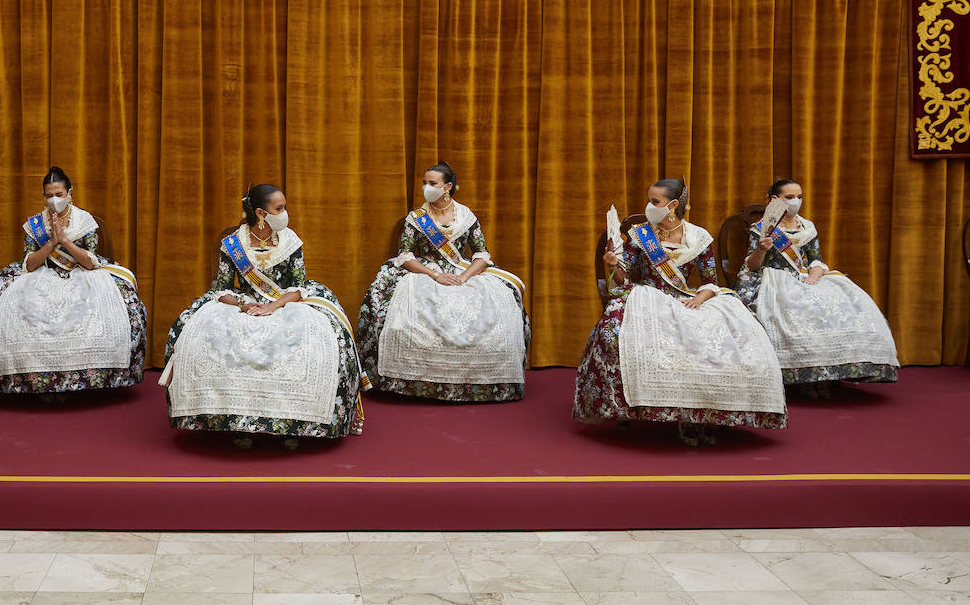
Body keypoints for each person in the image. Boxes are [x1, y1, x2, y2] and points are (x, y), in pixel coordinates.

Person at [573, 178, 786, 445]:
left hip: (688, 297)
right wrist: (614, 264)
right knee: (612, 330)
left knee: (729, 331)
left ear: (672, 206)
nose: (648, 206)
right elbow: (623, 281)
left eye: (654, 202)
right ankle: (650, 408)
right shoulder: (640, 235)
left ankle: (707, 413)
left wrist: (701, 297)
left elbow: (711, 280)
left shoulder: (699, 237)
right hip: (647, 297)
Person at [161, 184, 365, 448]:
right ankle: (238, 421)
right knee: (212, 340)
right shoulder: (233, 244)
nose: (285, 213)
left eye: (284, 207)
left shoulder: (290, 241)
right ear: (260, 213)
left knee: (313, 343)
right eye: (278, 209)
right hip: (242, 305)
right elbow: (222, 288)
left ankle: (295, 425)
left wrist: (274, 306)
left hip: (286, 304)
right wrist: (244, 307)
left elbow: (299, 286)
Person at [357, 161, 529, 401]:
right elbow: (405, 255)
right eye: (425, 183)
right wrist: (435, 275)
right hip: (425, 271)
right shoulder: (417, 218)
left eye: (432, 183)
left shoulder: (466, 216)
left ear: (447, 187)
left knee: (503, 304)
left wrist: (463, 277)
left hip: (464, 271)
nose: (426, 187)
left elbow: (482, 254)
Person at [0, 166, 147, 396]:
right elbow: (30, 264)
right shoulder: (35, 224)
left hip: (82, 272)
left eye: (59, 194)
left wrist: (64, 239)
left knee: (125, 311)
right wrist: (51, 243)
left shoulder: (84, 221)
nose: (54, 200)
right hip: (41, 272)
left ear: (70, 192)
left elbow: (89, 262)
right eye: (49, 195)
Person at [735, 178, 899, 398]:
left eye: (799, 197)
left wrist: (813, 276)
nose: (796, 202)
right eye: (790, 197)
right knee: (797, 309)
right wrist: (762, 250)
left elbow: (816, 259)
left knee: (842, 302)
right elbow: (752, 266)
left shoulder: (807, 227)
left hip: (804, 276)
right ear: (775, 200)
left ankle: (828, 374)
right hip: (773, 278)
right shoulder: (762, 228)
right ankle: (805, 377)